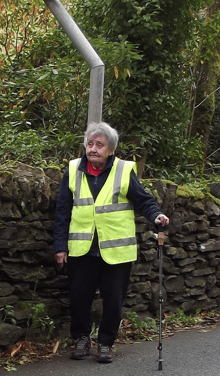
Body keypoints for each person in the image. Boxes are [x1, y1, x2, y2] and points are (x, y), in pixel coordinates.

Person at [52, 122, 170, 364]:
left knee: (113, 299)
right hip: (81, 248)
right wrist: (60, 246)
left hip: (116, 250)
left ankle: (106, 343)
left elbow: (143, 200)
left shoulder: (124, 171)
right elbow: (62, 211)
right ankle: (81, 339)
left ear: (111, 150)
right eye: (90, 144)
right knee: (79, 298)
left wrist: (156, 215)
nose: (93, 149)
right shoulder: (73, 170)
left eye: (99, 145)